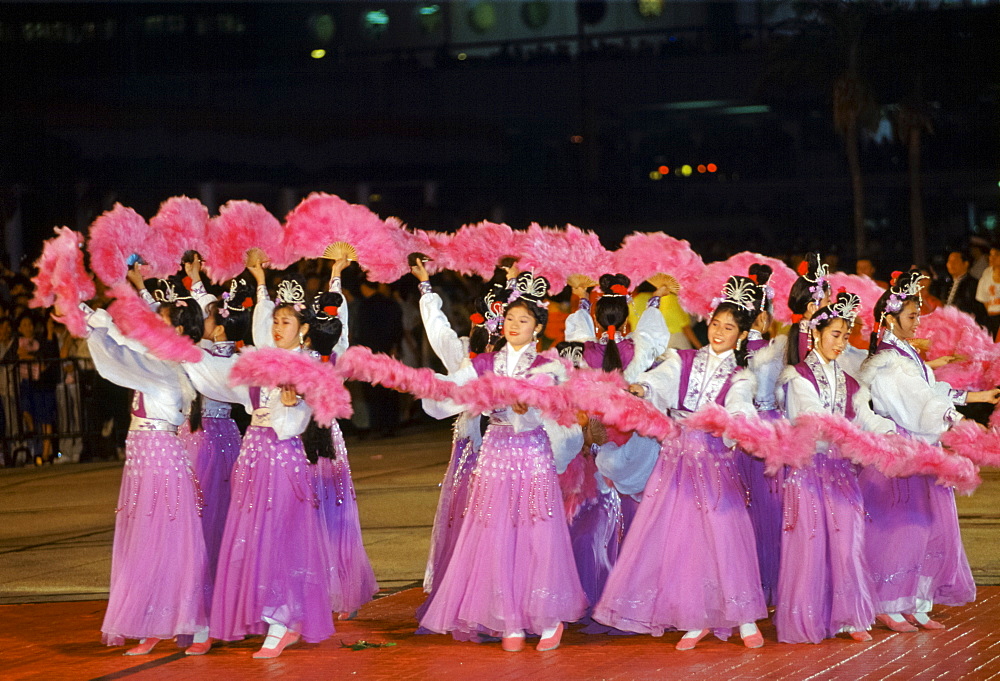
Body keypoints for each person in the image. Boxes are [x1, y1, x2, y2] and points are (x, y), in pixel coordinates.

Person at [593, 275, 767, 650]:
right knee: (683, 538)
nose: (720, 332)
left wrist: (738, 423)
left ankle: (744, 615)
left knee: (725, 533)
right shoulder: (682, 357)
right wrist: (642, 388)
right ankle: (695, 615)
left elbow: (739, 405)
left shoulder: (741, 375)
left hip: (715, 461)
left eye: (729, 328)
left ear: (740, 334)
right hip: (678, 460)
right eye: (716, 324)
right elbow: (661, 380)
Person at [418, 272, 587, 652]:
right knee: (494, 532)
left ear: (538, 328)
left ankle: (548, 616)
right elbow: (457, 392)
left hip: (531, 452)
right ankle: (507, 615)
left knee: (537, 529)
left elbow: (557, 406)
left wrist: (530, 407)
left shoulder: (549, 365)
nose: (514, 325)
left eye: (523, 321)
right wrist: (428, 387)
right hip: (495, 451)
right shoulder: (486, 363)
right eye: (510, 319)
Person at [184, 262, 336, 658]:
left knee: (281, 539)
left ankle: (283, 620)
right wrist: (182, 351)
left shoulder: (311, 365)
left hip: (284, 460)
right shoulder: (258, 362)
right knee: (252, 539)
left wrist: (297, 402)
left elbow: (314, 413)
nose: (278, 327)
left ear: (303, 328)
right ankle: (273, 617)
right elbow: (216, 373)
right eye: (276, 321)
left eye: (287, 322)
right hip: (252, 458)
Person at [68, 279, 211, 655]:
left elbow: (120, 359)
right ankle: (163, 620)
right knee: (149, 541)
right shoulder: (158, 362)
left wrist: (96, 325)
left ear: (178, 331)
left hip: (160, 462)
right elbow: (128, 345)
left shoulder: (166, 371)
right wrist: (85, 313)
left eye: (160, 323)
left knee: (162, 541)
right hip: (145, 462)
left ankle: (180, 623)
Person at [859, 271, 996, 632]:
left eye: (918, 314)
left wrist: (974, 398)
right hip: (903, 454)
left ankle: (915, 601)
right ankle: (887, 602)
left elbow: (932, 390)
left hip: (923, 448)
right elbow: (919, 404)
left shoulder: (907, 356)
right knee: (903, 529)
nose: (918, 322)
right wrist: (956, 421)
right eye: (911, 316)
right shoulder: (889, 363)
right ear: (890, 319)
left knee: (928, 529)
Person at [774, 291, 895, 644]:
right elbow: (811, 419)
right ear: (815, 333)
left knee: (847, 541)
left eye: (845, 335)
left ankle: (848, 617)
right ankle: (811, 618)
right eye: (835, 335)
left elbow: (865, 416)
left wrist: (891, 434)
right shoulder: (797, 376)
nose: (841, 343)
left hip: (840, 472)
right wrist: (853, 436)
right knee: (810, 545)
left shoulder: (848, 380)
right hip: (809, 470)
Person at [561, 273, 669, 608]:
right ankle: (636, 593)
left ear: (596, 316)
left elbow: (577, 334)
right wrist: (655, 299)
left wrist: (580, 300)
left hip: (591, 442)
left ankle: (590, 591)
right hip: (632, 446)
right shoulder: (639, 350)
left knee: (589, 521)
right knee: (637, 521)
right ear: (627, 319)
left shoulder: (579, 351)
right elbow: (653, 337)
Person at [301, 259, 379, 620]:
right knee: (330, 516)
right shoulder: (335, 357)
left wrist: (335, 278)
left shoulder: (307, 359)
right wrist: (335, 276)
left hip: (311, 442)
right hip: (320, 441)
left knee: (317, 515)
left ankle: (321, 588)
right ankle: (330, 588)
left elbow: (338, 325)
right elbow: (341, 326)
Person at [738, 263, 786, 606]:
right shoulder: (773, 353)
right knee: (772, 507)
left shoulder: (735, 354)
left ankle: (749, 583)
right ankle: (774, 582)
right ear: (763, 318)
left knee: (745, 505)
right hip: (770, 428)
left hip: (740, 431)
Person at [943, 249, 986, 326]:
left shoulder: (973, 283)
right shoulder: (946, 284)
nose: (951, 264)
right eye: (949, 261)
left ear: (965, 264)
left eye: (955, 261)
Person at [974, 244, 1000, 339]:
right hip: (993, 318)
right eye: (990, 255)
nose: (992, 258)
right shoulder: (986, 276)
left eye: (996, 255)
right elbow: (984, 299)